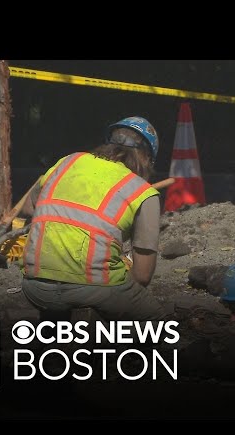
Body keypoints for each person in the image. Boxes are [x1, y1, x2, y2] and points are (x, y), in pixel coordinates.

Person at [19, 116, 167, 322]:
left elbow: (28, 208)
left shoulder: (68, 161)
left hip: (34, 286)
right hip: (93, 288)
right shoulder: (143, 192)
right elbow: (142, 275)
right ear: (146, 158)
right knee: (158, 321)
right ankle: (101, 343)